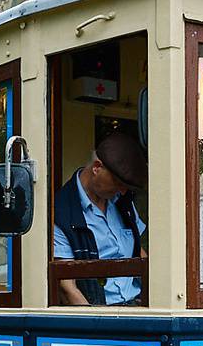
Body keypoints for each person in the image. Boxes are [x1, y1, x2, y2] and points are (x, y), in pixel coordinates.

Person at [51, 130, 147, 306]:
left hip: (138, 306)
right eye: (118, 183)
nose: (123, 191)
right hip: (101, 314)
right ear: (97, 167)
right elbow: (67, 288)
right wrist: (97, 324)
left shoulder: (122, 202)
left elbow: (139, 252)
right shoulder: (60, 213)